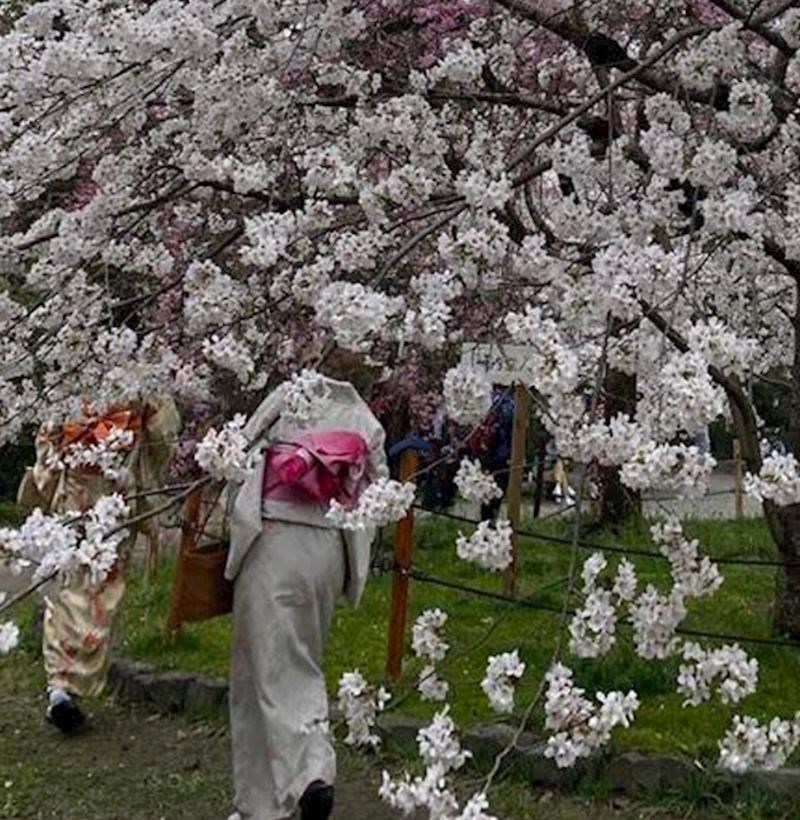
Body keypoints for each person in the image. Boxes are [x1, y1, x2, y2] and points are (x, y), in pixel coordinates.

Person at [226, 371, 387, 820]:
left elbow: (236, 459)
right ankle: (261, 802)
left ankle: (311, 774)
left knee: (266, 669)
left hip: (276, 540)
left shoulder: (286, 399)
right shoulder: (362, 416)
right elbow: (378, 494)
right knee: (296, 658)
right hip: (329, 550)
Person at [16, 396, 180, 733]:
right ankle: (60, 688)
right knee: (70, 584)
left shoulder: (139, 381)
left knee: (92, 589)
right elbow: (50, 435)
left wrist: (144, 418)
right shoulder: (95, 386)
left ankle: (65, 686)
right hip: (89, 489)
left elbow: (162, 432)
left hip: (107, 492)